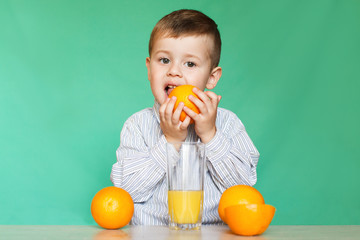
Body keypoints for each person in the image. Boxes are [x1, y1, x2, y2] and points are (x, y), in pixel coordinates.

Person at [111, 9, 259, 225]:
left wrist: (210, 134)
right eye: (163, 60)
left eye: (189, 64)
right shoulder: (138, 126)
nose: (174, 71)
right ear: (149, 68)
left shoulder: (228, 123)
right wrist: (170, 142)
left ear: (211, 77)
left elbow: (244, 187)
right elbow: (126, 193)